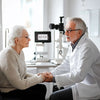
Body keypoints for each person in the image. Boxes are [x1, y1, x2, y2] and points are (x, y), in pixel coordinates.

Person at [40, 17, 100, 100]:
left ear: (79, 32)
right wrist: (50, 74)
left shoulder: (87, 47)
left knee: (54, 97)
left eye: (69, 30)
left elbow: (79, 75)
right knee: (56, 90)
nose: (65, 33)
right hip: (80, 84)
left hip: (91, 88)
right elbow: (66, 65)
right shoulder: (73, 44)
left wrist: (53, 78)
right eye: (65, 30)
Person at [0, 25, 47, 100]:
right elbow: (19, 84)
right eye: (26, 37)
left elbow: (23, 74)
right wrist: (40, 78)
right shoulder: (8, 54)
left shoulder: (20, 53)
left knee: (41, 88)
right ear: (16, 40)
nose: (30, 39)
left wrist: (37, 76)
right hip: (9, 92)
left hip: (16, 88)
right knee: (39, 90)